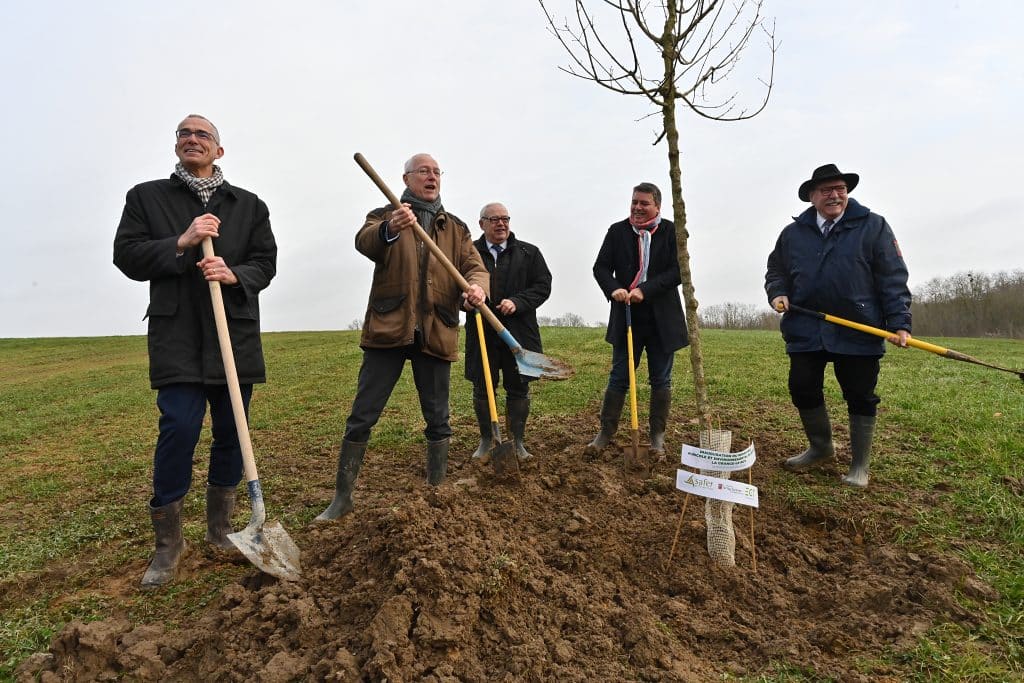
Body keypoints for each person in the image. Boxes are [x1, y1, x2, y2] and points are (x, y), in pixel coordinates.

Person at [113, 114, 278, 588]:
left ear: (219, 151)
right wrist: (181, 243)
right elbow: (127, 256)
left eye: (202, 134)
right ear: (176, 146)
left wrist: (235, 275)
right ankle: (168, 544)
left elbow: (265, 264)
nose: (192, 139)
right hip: (178, 337)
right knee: (179, 428)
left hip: (234, 336)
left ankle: (221, 529)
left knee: (232, 431)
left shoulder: (248, 205)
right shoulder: (147, 198)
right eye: (184, 134)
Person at [317, 154, 488, 521]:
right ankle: (342, 498)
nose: (432, 176)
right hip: (389, 327)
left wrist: (476, 287)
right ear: (406, 178)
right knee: (362, 415)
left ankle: (436, 490)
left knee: (438, 417)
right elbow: (365, 243)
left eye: (437, 172)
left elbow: (474, 264)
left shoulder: (455, 228)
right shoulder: (384, 213)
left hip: (436, 328)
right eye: (424, 171)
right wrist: (391, 227)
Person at [765, 163, 911, 488]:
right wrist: (778, 293)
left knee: (860, 395)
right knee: (802, 386)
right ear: (812, 197)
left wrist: (900, 322)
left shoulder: (873, 227)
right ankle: (821, 448)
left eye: (840, 189)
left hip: (859, 328)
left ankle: (859, 466)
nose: (835, 195)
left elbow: (892, 277)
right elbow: (776, 270)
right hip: (806, 326)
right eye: (827, 190)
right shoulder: (793, 234)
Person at [588, 182, 688, 457]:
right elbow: (601, 267)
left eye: (644, 203)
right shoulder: (617, 231)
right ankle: (605, 432)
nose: (637, 207)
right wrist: (614, 288)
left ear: (657, 206)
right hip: (627, 314)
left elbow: (679, 271)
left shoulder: (671, 232)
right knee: (620, 376)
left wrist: (646, 290)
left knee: (661, 379)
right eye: (634, 202)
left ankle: (656, 436)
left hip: (662, 319)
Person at [464, 202, 552, 461]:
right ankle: (487, 440)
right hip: (481, 331)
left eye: (505, 219)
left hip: (519, 333)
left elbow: (543, 286)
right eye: (494, 219)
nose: (501, 224)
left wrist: (518, 301)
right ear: (482, 224)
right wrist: (465, 302)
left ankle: (517, 442)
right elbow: (454, 285)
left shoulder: (528, 253)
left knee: (519, 388)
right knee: (483, 387)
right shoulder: (469, 254)